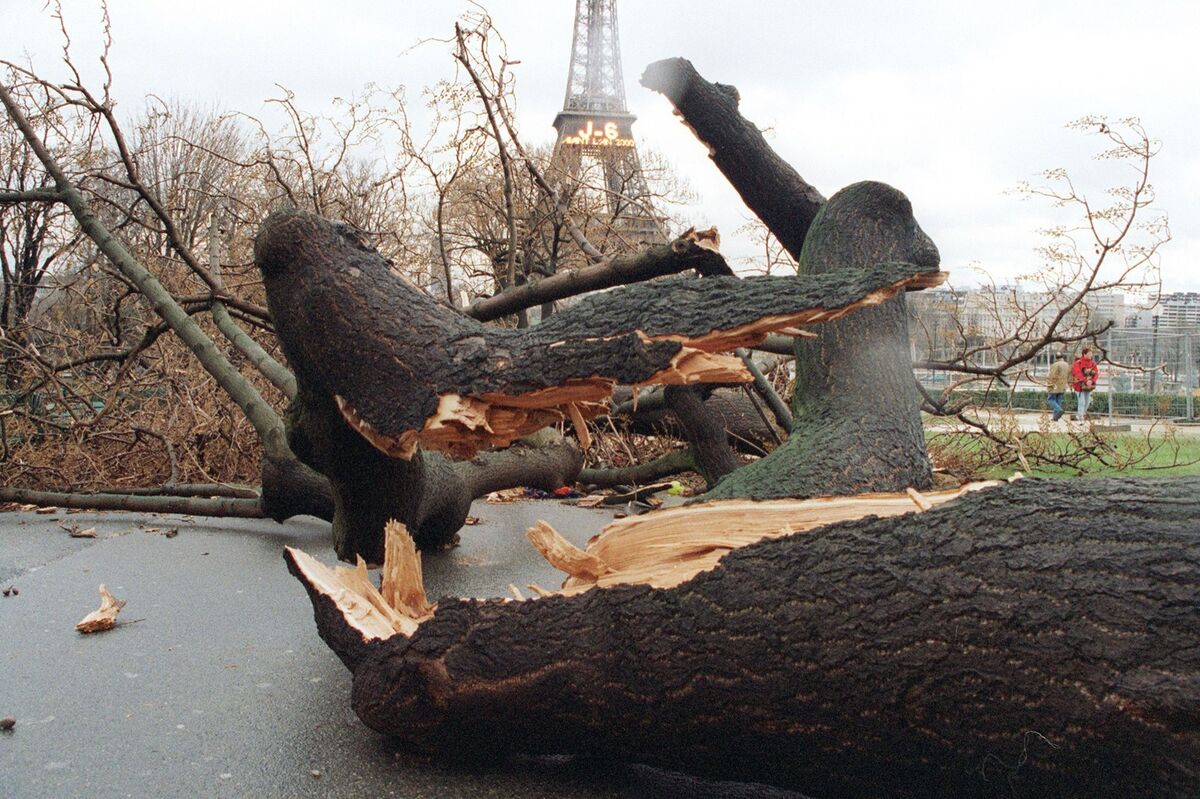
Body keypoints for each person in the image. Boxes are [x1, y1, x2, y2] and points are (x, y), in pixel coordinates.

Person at [1071, 347, 1100, 422]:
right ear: (1084, 354)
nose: (1091, 355)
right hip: (1079, 386)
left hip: (1088, 386)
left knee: (1087, 401)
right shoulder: (1078, 363)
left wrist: (1092, 381)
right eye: (1089, 353)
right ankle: (1080, 416)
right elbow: (1077, 373)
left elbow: (1096, 373)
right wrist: (1086, 380)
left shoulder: (1093, 363)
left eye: (1091, 354)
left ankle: (1082, 414)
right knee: (1082, 401)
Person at [1046, 352, 1070, 421]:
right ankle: (1055, 417)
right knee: (1058, 401)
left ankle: (1059, 410)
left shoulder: (1055, 365)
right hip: (1063, 385)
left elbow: (1052, 376)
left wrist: (1049, 384)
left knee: (1051, 399)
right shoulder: (1066, 365)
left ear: (1056, 358)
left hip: (1055, 386)